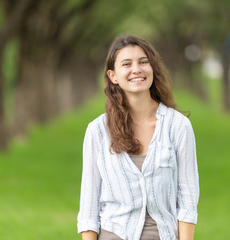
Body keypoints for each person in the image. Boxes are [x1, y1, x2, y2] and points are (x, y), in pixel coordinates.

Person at [77, 35, 199, 240]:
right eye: (127, 64)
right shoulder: (97, 131)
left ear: (152, 69)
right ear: (113, 75)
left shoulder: (178, 126)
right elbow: (89, 207)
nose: (137, 69)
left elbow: (187, 200)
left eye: (143, 62)